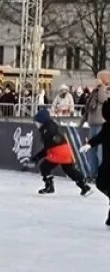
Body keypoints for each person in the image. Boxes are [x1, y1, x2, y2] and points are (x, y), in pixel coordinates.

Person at [32, 108, 91, 196]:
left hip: (57, 151)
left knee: (44, 167)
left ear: (42, 121)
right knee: (69, 170)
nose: (36, 124)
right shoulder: (52, 125)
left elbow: (47, 147)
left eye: (37, 122)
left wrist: (38, 157)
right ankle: (83, 185)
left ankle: (49, 186)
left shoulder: (46, 131)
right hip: (66, 149)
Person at [80, 97, 110, 226]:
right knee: (101, 182)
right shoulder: (107, 126)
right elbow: (100, 137)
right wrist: (90, 144)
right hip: (108, 164)